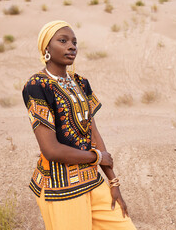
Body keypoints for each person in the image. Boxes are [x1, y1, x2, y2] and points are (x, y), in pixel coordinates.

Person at [22, 20, 137, 230]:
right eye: (63, 41)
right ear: (47, 47)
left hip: (92, 180)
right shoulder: (36, 86)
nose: (72, 46)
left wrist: (113, 182)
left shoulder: (81, 83)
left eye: (74, 42)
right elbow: (51, 150)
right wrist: (96, 157)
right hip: (60, 186)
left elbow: (94, 133)